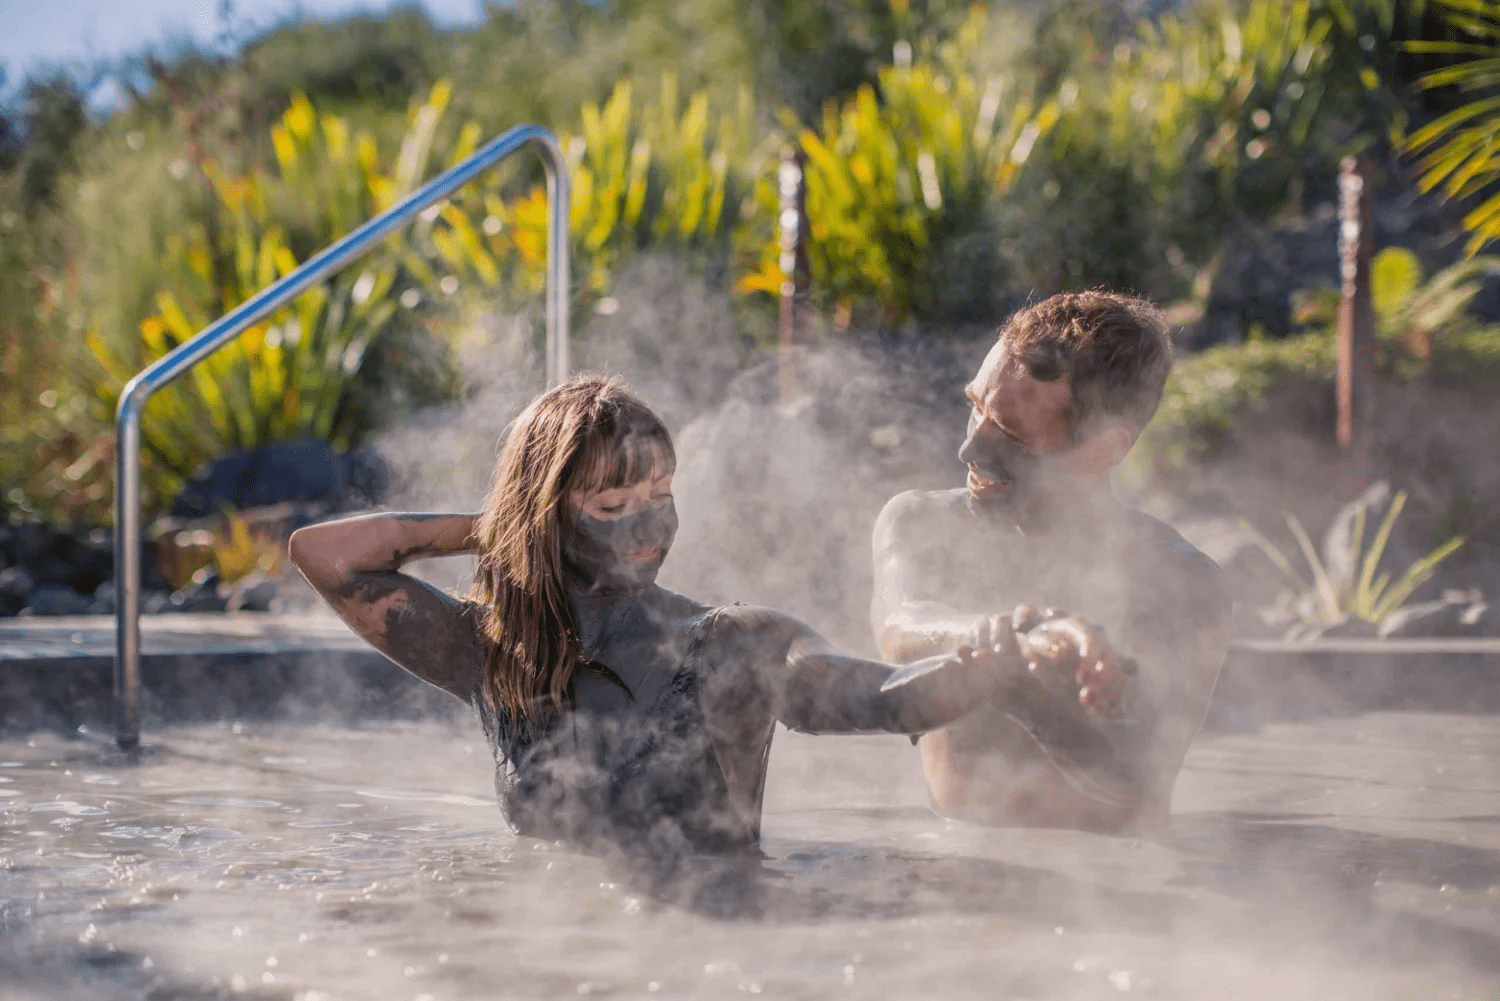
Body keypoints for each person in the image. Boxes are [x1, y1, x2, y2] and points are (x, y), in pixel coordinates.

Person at [289, 375, 1120, 857]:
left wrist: (1001, 653)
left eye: (662, 493)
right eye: (614, 501)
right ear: (546, 515)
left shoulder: (730, 643)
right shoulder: (495, 653)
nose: (652, 523)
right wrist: (511, 525)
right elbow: (325, 554)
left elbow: (888, 697)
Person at [872, 291, 1232, 835]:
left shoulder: (1181, 582)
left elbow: (1139, 782)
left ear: (1103, 450)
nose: (970, 451)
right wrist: (1017, 641)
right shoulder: (921, 522)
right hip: (955, 860)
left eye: (1012, 433)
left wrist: (1041, 698)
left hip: (1118, 888)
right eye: (976, 407)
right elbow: (902, 627)